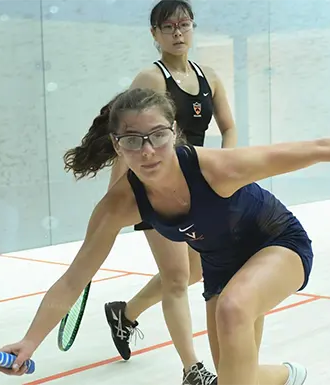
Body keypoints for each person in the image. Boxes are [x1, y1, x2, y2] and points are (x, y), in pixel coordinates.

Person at [0, 87, 330, 385]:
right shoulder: (119, 204)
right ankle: (290, 377)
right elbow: (73, 281)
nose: (148, 150)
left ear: (175, 132)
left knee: (234, 309)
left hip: (277, 243)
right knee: (238, 377)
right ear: (118, 145)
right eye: (133, 140)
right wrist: (29, 342)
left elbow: (317, 149)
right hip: (221, 267)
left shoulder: (217, 168)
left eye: (157, 135)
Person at [100, 1, 238, 383]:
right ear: (154, 34)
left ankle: (124, 313)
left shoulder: (209, 77)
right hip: (153, 188)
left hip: (195, 189)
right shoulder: (151, 78)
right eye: (168, 27)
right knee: (177, 278)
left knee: (192, 273)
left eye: (184, 24)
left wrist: (226, 169)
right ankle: (192, 370)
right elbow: (125, 138)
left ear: (192, 27)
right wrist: (114, 199)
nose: (177, 33)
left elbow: (228, 127)